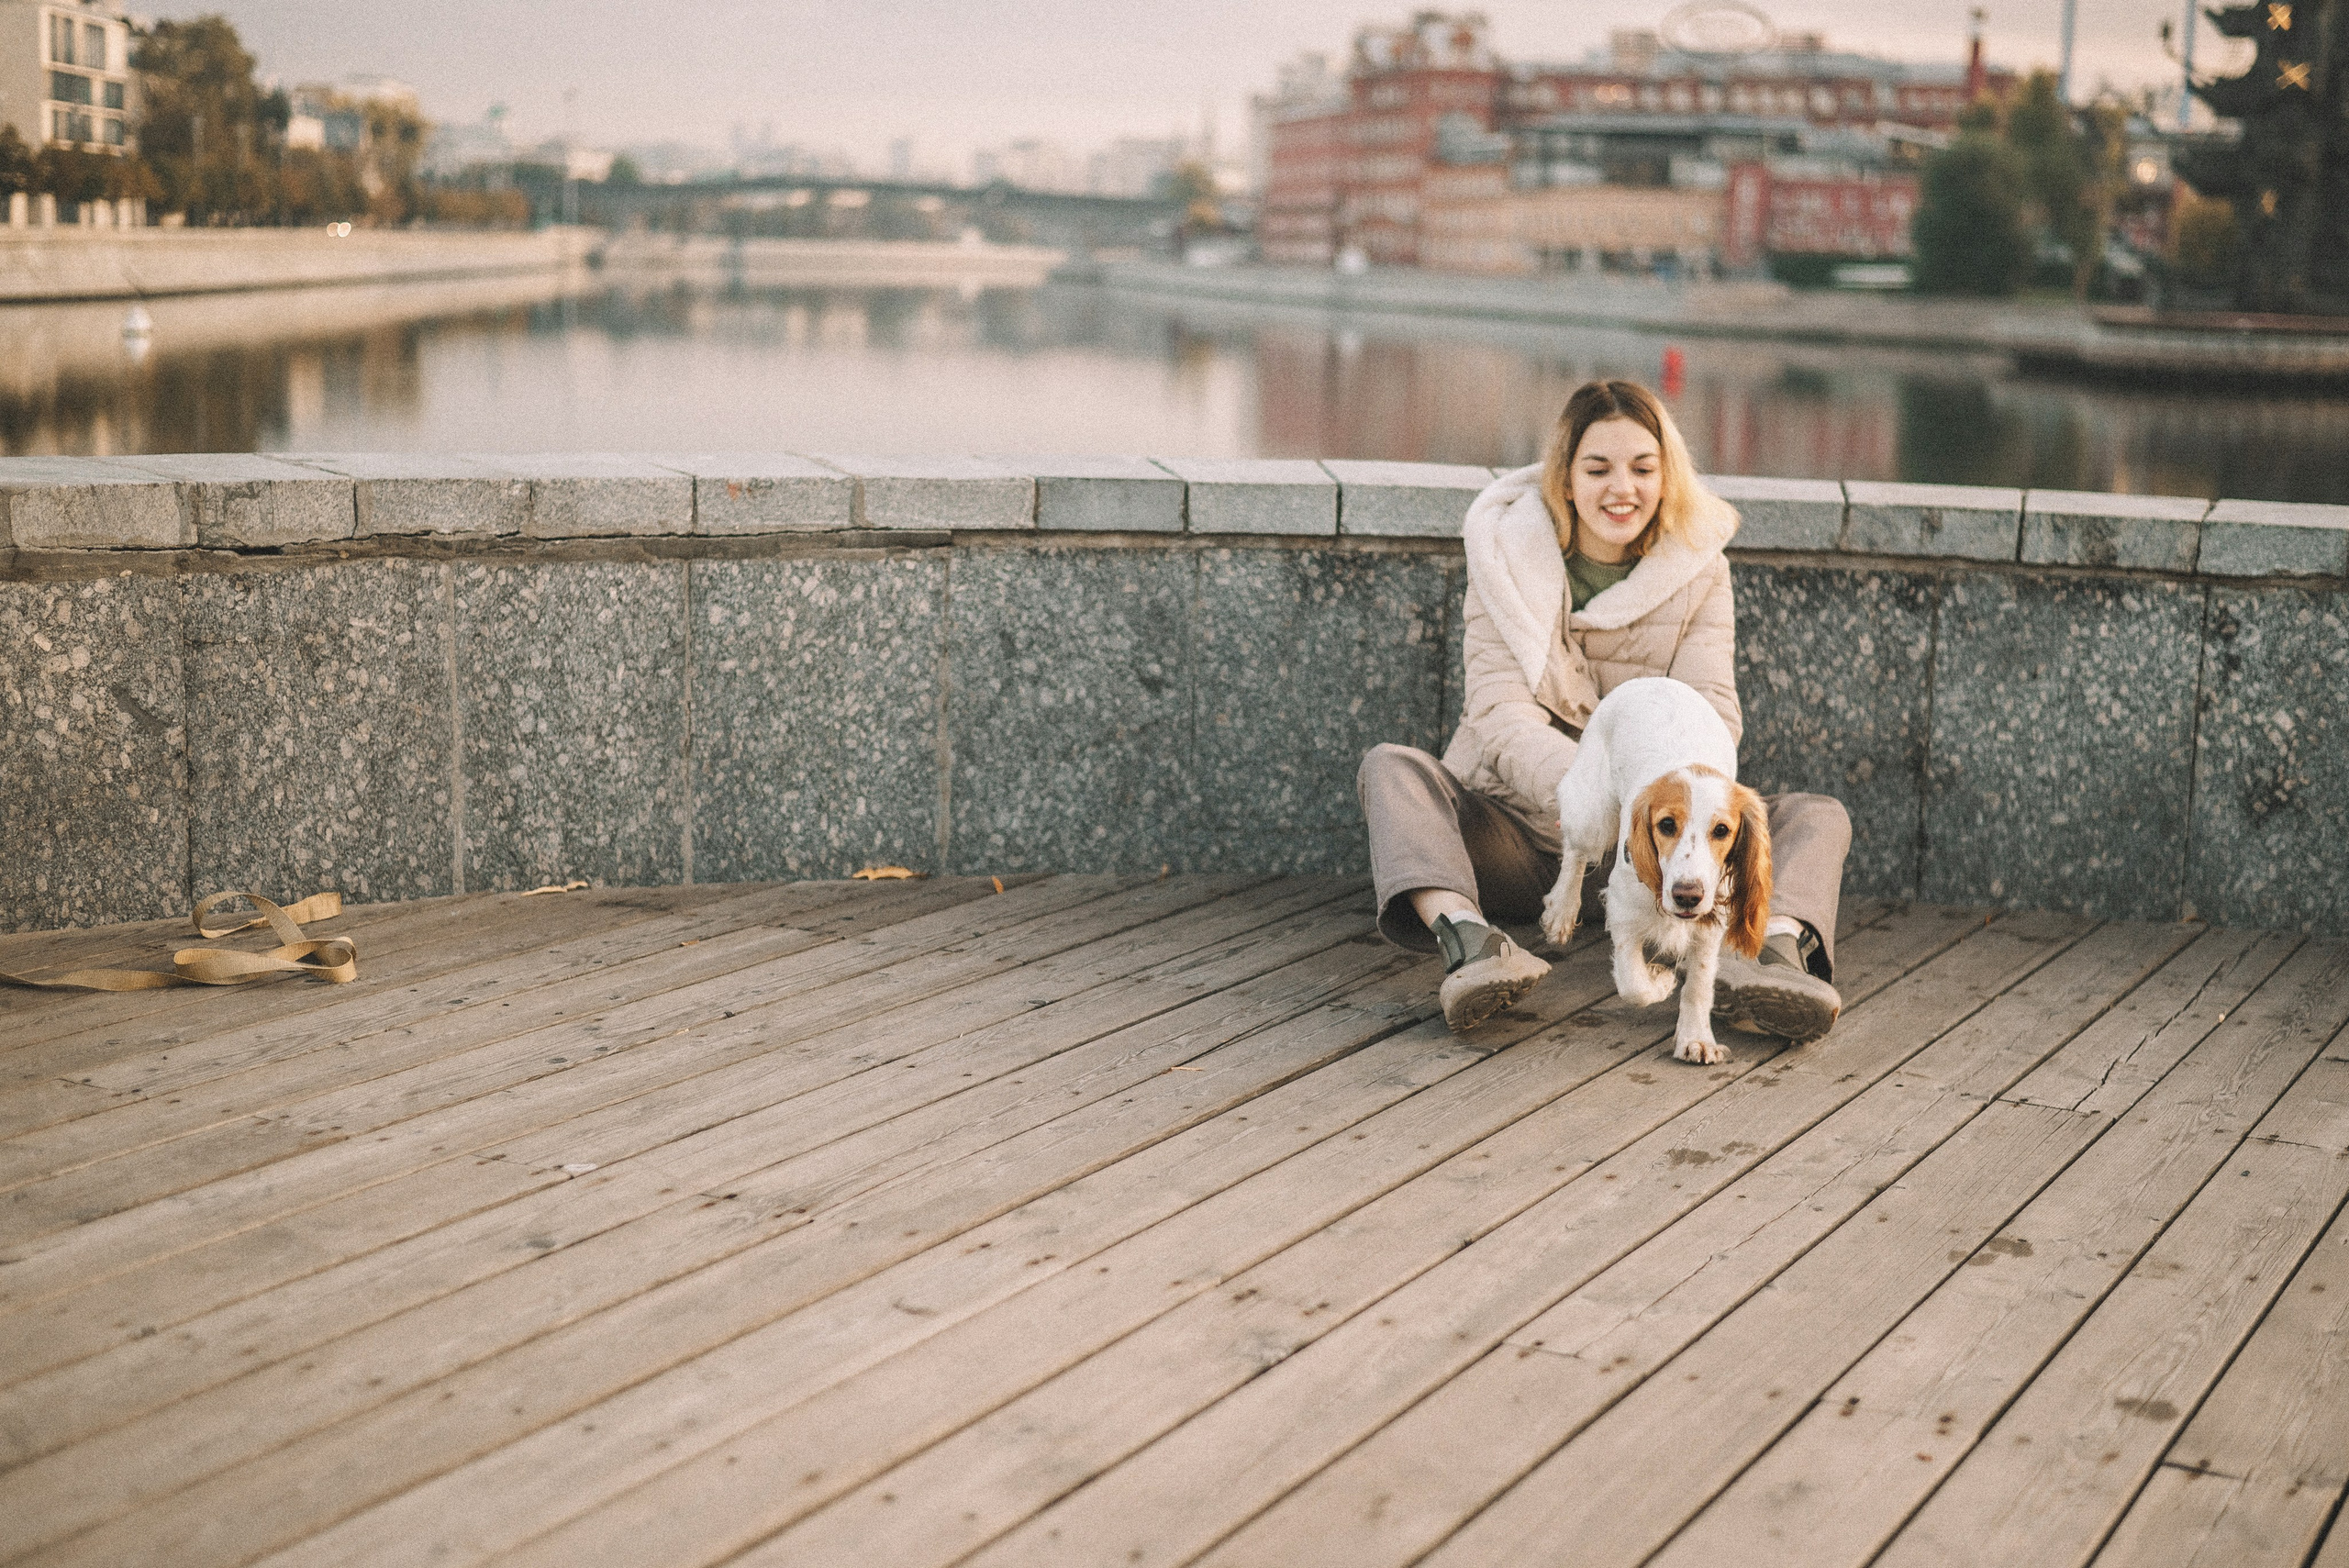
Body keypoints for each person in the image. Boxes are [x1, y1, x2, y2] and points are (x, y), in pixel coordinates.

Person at [1358, 378, 1850, 1037]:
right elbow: (1500, 716)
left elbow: (1714, 713)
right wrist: (1595, 798)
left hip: (1667, 853)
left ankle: (1773, 959)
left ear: (1666, 477)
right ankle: (1473, 944)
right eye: (1599, 468)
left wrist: (1651, 818)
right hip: (1524, 833)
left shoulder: (1700, 571)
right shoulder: (1504, 558)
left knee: (1814, 817)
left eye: (1643, 469)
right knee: (1392, 768)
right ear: (1565, 479)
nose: (1623, 488)